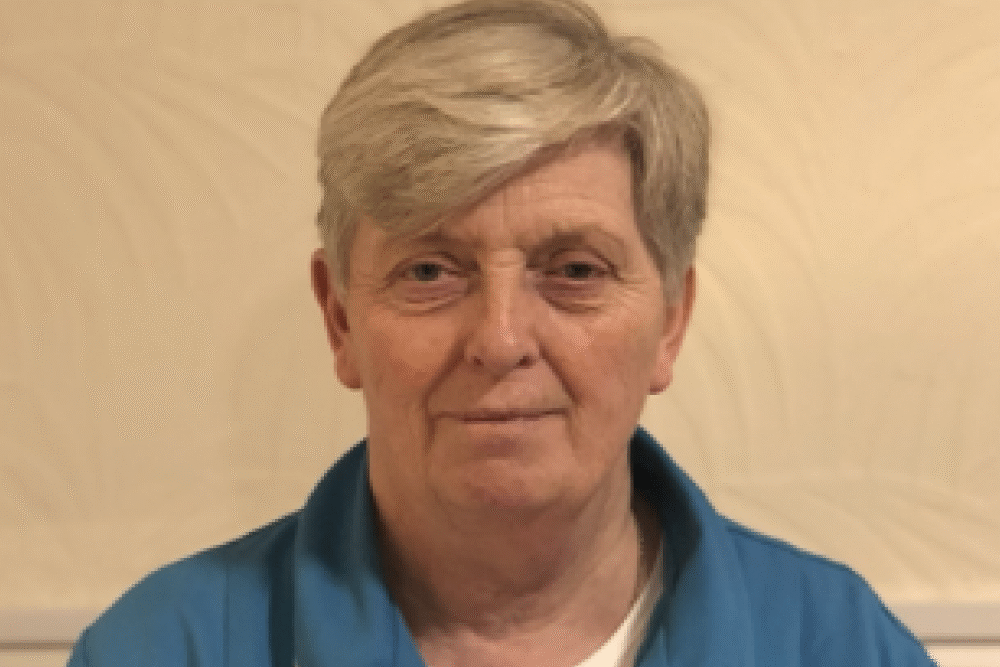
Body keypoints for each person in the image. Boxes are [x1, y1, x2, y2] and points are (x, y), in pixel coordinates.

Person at [67, 0, 937, 665]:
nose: (501, 338)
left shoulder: (840, 644)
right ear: (339, 319)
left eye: (576, 270)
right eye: (429, 271)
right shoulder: (161, 647)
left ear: (671, 321)